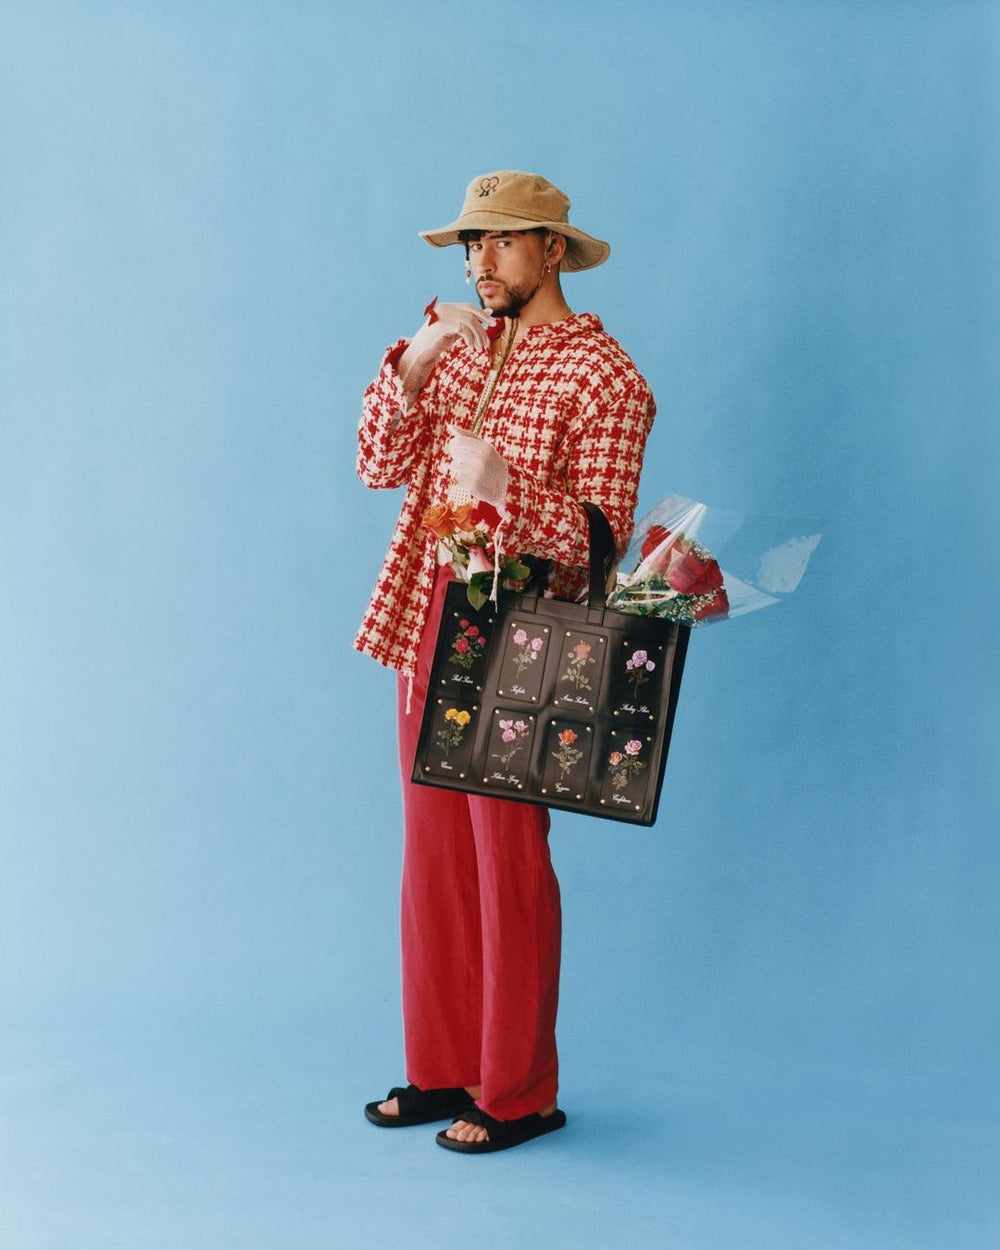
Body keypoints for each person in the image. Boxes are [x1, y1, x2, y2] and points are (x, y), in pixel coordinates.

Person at [355, 170, 655, 1153]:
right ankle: (442, 1067)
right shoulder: (456, 346)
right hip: (427, 613)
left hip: (524, 630)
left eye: (500, 240)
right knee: (433, 852)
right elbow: (377, 463)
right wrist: (412, 365)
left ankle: (518, 1090)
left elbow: (602, 539)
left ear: (552, 249)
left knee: (505, 858)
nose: (478, 262)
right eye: (468, 244)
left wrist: (505, 490)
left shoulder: (607, 379)